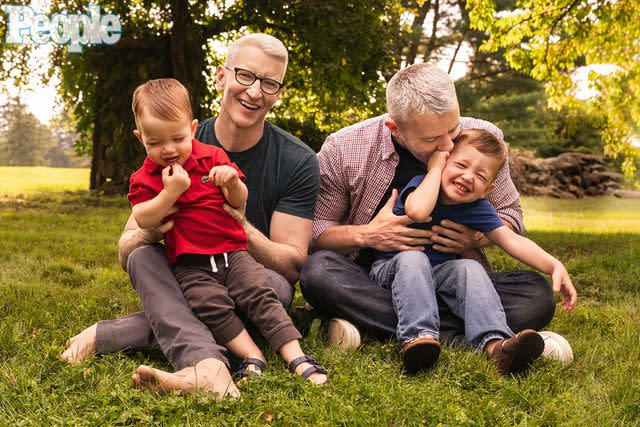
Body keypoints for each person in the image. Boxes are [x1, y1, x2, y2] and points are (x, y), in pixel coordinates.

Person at [60, 33, 321, 398]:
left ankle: (113, 335)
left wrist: (239, 224)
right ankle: (208, 366)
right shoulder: (170, 144)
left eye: (269, 83)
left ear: (278, 93)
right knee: (141, 253)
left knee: (274, 290)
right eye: (245, 75)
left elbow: (292, 266)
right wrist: (155, 227)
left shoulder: (298, 161)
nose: (255, 91)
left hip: (244, 270)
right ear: (221, 76)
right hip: (187, 269)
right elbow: (126, 249)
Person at [300, 63, 560, 355]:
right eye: (431, 139)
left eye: (453, 128)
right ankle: (471, 338)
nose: (448, 145)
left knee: (537, 295)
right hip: (377, 281)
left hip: (455, 283)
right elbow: (315, 233)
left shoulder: (482, 141)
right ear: (395, 127)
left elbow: (511, 215)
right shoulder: (343, 148)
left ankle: (379, 328)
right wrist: (368, 235)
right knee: (318, 272)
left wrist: (476, 238)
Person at [127, 78, 327, 385]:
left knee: (259, 293)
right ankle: (252, 355)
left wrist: (232, 182)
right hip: (190, 263)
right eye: (155, 143)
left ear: (193, 129)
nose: (168, 150)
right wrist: (169, 194)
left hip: (232, 252)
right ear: (140, 138)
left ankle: (296, 355)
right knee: (210, 308)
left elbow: (239, 201)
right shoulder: (145, 177)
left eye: (178, 138)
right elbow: (142, 217)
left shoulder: (212, 156)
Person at [369, 128, 577, 373]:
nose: (468, 177)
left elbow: (511, 240)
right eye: (461, 165)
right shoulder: (421, 186)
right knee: (414, 259)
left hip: (438, 277)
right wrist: (435, 169)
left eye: (480, 175)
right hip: (391, 272)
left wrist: (554, 265)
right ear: (444, 162)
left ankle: (496, 346)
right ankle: (419, 338)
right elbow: (418, 212)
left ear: (487, 189)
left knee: (468, 267)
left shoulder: (477, 207)